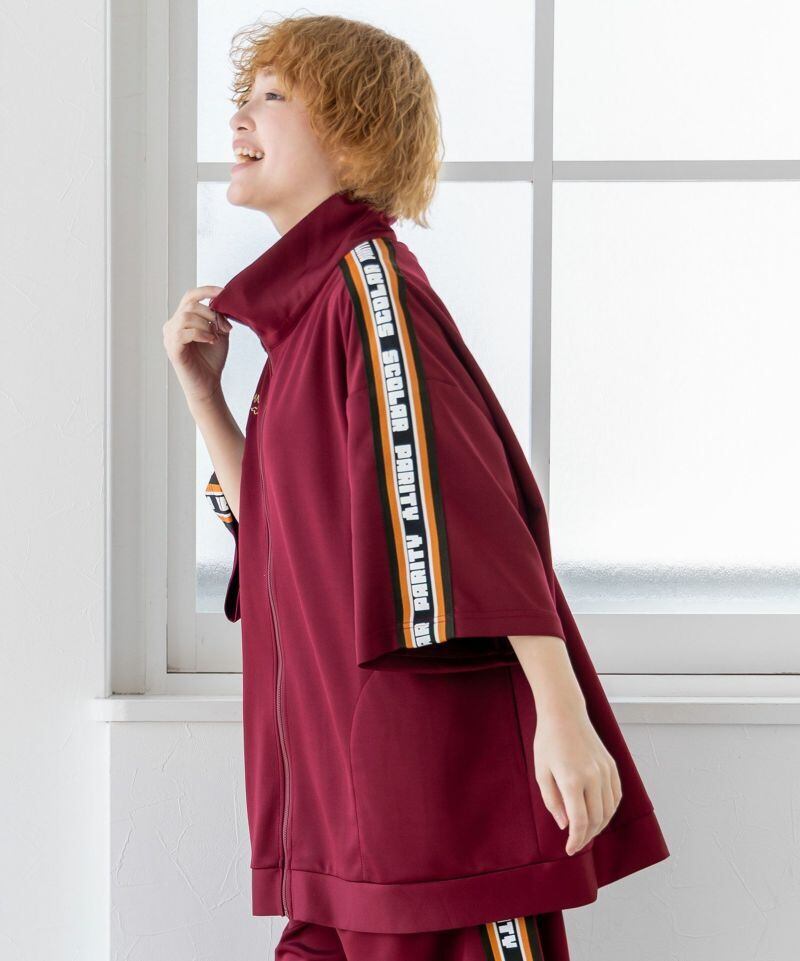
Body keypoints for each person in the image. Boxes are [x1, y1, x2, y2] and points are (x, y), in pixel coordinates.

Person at [163, 14, 670, 960]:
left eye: (273, 96)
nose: (239, 115)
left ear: (351, 135)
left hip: (433, 802)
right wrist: (205, 399)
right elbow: (281, 534)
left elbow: (479, 510)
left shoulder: (371, 294)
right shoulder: (311, 318)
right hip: (340, 799)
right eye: (245, 95)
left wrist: (563, 717)